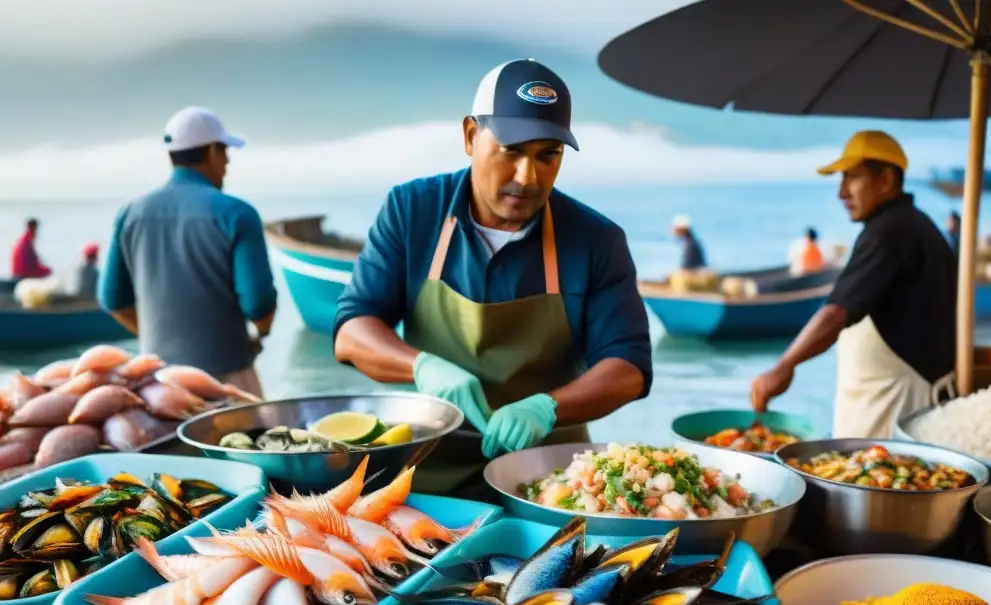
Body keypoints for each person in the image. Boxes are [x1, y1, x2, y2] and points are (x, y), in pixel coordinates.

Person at [333, 59, 652, 496]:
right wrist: (422, 367)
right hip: (425, 468)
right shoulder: (413, 210)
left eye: (548, 155)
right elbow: (352, 332)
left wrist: (548, 408)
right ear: (470, 136)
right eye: (512, 149)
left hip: (548, 478)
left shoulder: (597, 240)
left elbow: (628, 368)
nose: (528, 176)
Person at [750, 130, 956, 439]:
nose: (841, 192)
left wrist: (784, 366)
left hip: (896, 405)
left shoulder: (888, 231)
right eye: (841, 179)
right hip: (907, 398)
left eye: (853, 178)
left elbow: (836, 313)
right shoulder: (916, 225)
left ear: (886, 180)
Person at [98, 106, 277, 397]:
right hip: (227, 380)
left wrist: (161, 339)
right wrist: (261, 334)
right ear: (210, 152)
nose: (227, 161)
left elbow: (113, 300)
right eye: (224, 151)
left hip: (158, 389)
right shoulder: (237, 213)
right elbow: (259, 305)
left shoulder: (130, 214)